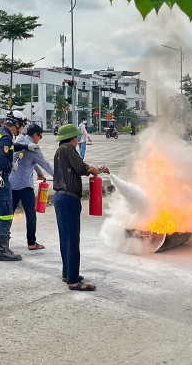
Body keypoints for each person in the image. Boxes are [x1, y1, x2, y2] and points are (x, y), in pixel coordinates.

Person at [52, 124, 109, 291]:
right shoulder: (68, 149)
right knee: (72, 239)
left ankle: (68, 273)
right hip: (68, 199)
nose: (77, 140)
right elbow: (81, 167)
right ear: (72, 138)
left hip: (62, 198)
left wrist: (94, 170)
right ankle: (73, 280)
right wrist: (93, 169)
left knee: (66, 238)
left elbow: (76, 169)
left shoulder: (60, 151)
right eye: (76, 138)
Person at [0, 110, 41, 261]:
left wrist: (26, 147)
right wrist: (10, 165)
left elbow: (12, 147)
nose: (21, 129)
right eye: (21, 125)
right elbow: (1, 159)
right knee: (6, 214)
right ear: (17, 123)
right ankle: (3, 251)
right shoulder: (6, 137)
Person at [9, 123, 54, 250]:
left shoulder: (19, 140)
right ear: (35, 135)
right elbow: (46, 164)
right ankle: (31, 243)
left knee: (8, 214)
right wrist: (60, 177)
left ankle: (2, 240)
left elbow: (27, 159)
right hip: (25, 185)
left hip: (12, 183)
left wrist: (38, 171)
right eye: (40, 136)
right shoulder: (34, 147)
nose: (40, 139)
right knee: (30, 214)